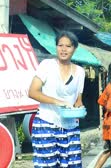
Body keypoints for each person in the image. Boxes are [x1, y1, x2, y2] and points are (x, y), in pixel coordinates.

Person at [28, 31, 86, 167]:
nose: (63, 49)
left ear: (74, 49)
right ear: (56, 47)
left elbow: (78, 101)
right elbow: (32, 92)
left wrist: (80, 109)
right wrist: (57, 102)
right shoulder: (47, 65)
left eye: (68, 46)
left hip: (70, 127)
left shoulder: (80, 72)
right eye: (60, 45)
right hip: (46, 124)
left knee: (73, 165)